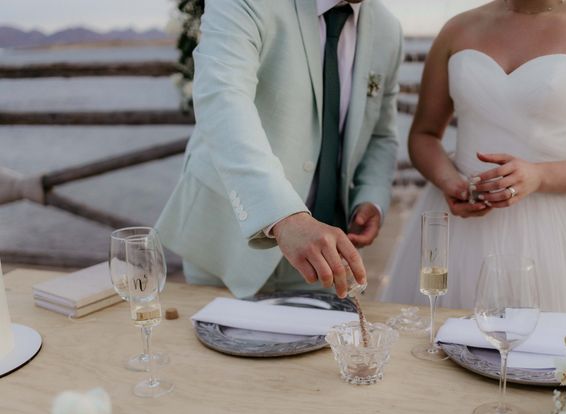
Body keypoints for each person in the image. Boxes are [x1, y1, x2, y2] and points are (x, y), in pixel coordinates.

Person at [380, 0, 566, 326]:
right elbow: (424, 134)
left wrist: (539, 176)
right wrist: (449, 180)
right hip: (462, 225)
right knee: (438, 352)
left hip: (560, 233)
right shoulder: (457, 28)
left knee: (551, 359)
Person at [155, 0, 403, 298]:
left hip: (325, 260)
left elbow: (381, 134)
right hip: (225, 242)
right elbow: (223, 98)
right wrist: (285, 217)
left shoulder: (389, 30)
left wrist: (371, 198)